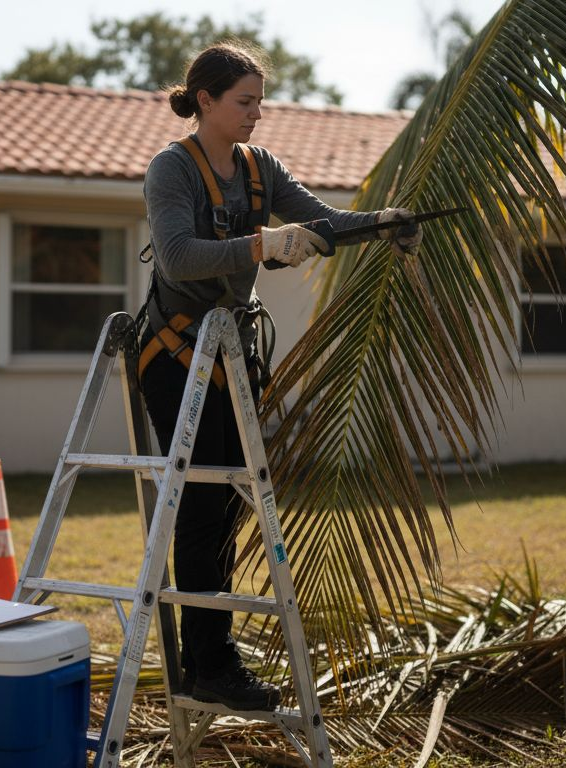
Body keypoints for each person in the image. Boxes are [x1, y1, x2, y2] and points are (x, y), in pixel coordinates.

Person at [138, 40, 421, 711]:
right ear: (204, 101)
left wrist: (380, 223)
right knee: (204, 506)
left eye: (260, 101)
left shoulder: (260, 169)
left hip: (231, 353)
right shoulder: (170, 171)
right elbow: (178, 258)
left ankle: (213, 656)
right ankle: (211, 663)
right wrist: (263, 246)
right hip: (176, 356)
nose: (256, 113)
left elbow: (317, 221)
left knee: (229, 502)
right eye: (244, 101)